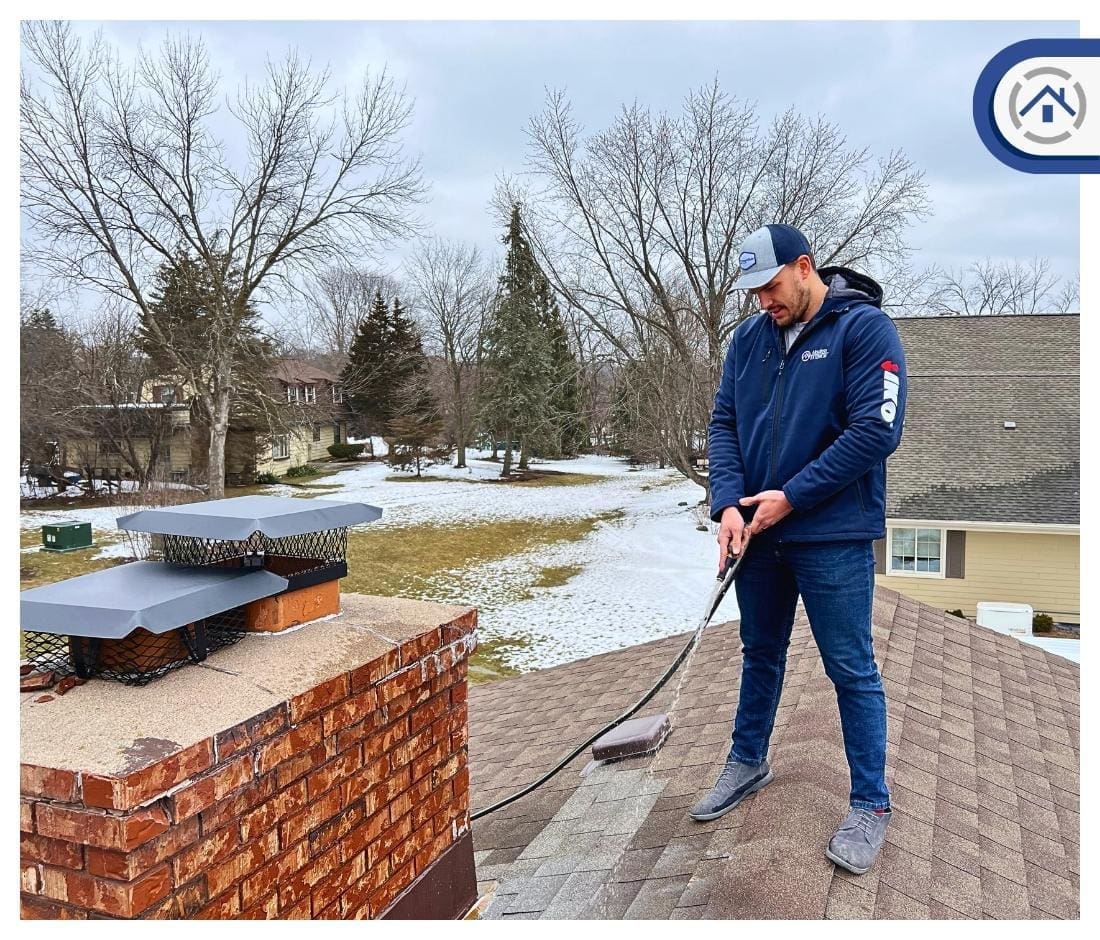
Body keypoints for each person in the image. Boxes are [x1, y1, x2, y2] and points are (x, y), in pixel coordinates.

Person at [689, 223, 907, 876]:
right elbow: (724, 422)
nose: (764, 302)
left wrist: (793, 495)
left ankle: (870, 803)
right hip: (760, 533)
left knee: (851, 668)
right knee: (760, 654)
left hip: (832, 536)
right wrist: (728, 502)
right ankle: (748, 759)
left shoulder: (864, 330)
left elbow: (877, 430)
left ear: (805, 267)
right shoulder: (749, 341)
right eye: (754, 292)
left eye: (773, 287)